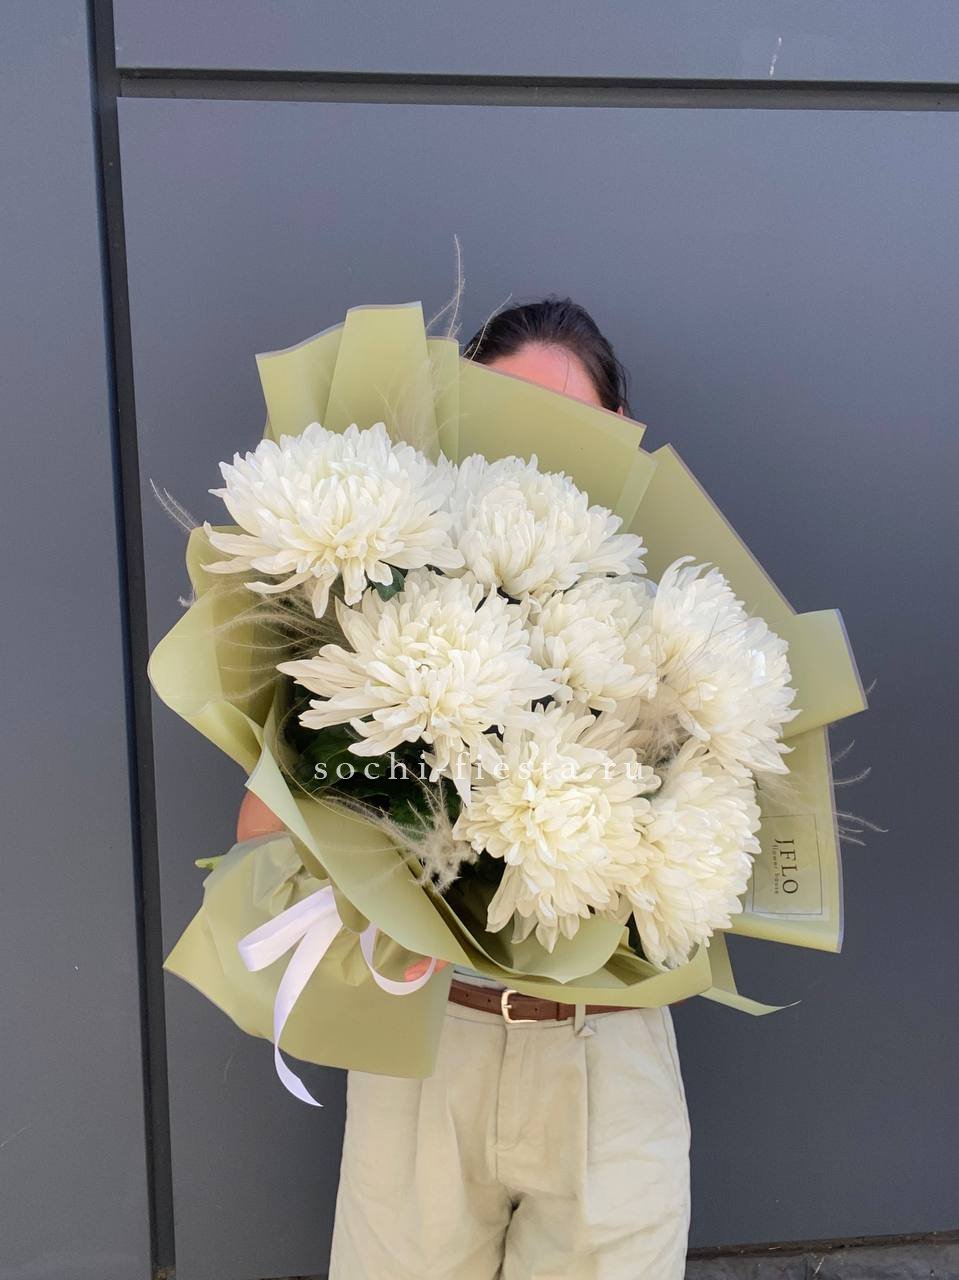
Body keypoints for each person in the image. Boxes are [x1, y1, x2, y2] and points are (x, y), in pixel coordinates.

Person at [236, 296, 692, 1279]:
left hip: (608, 1064)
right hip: (431, 1040)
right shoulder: (391, 608)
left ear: (618, 431)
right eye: (502, 414)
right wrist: (356, 739)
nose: (533, 448)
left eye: (566, 422)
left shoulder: (681, 624)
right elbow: (261, 831)